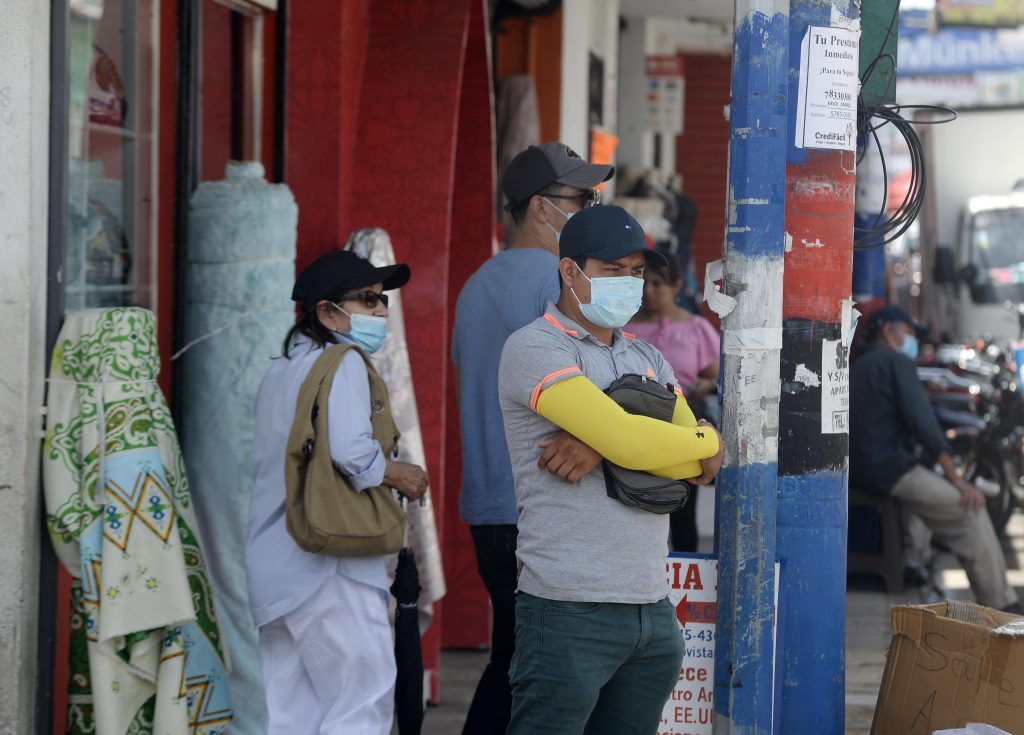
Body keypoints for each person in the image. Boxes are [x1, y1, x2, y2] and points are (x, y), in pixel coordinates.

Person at [498, 205, 725, 734]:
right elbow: (635, 438)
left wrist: (600, 445)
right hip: (568, 607)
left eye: (636, 272)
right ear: (570, 271)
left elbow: (705, 463)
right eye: (612, 270)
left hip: (651, 604)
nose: (630, 283)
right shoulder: (535, 346)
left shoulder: (647, 357)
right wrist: (629, 439)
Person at [452, 141, 613, 734]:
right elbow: (606, 382)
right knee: (549, 675)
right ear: (543, 209)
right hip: (545, 505)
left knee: (514, 662)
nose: (593, 207)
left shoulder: (475, 287)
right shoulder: (557, 280)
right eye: (584, 198)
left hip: (491, 507)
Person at [246, 250, 430, 734]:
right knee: (359, 704)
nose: (381, 311)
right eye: (368, 299)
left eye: (383, 299)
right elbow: (352, 452)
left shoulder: (282, 369)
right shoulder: (342, 362)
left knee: (289, 714)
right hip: (330, 565)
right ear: (327, 313)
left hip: (275, 563)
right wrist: (397, 474)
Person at [849, 305, 1021, 613]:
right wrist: (957, 481)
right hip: (888, 470)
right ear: (890, 332)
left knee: (932, 504)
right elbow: (925, 425)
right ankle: (1002, 605)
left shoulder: (863, 362)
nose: (916, 344)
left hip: (868, 468)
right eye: (912, 335)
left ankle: (920, 564)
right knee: (970, 509)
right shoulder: (893, 362)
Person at [628, 253, 720, 551]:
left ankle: (683, 577)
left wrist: (702, 387)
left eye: (658, 284)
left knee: (682, 510)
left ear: (677, 285)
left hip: (681, 427)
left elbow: (718, 377)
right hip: (632, 430)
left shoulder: (696, 329)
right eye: (643, 283)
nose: (649, 292)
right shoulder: (622, 327)